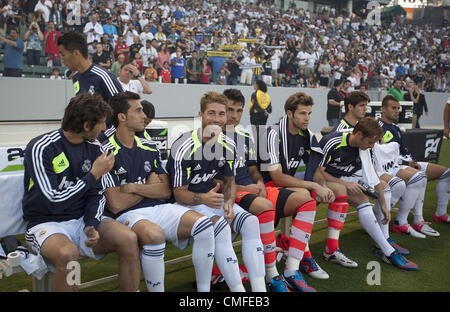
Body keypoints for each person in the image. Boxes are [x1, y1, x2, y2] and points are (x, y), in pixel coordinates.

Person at [22, 93, 141, 291]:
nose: (104, 128)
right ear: (86, 125)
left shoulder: (96, 147)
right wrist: (93, 174)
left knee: (129, 239)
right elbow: (53, 199)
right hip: (46, 222)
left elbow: (97, 194)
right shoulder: (41, 147)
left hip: (81, 220)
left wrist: (91, 223)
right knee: (68, 255)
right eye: (102, 123)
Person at [102, 91, 215, 292]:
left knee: (205, 225)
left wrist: (134, 187)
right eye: (138, 111)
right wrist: (148, 187)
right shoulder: (105, 149)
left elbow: (164, 190)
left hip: (159, 207)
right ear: (121, 116)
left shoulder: (149, 146)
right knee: (154, 235)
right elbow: (116, 204)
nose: (144, 116)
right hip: (126, 215)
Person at [167, 91, 266, 292]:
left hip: (214, 202)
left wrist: (229, 202)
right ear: (200, 115)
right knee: (220, 226)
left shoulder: (229, 144)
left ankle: (259, 289)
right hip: (186, 205)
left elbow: (230, 182)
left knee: (251, 222)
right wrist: (204, 197)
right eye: (211, 113)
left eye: (221, 114)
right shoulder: (183, 146)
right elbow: (179, 193)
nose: (217, 119)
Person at [224, 88, 319, 292]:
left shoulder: (243, 137)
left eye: (239, 110)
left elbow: (253, 169)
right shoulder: (211, 139)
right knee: (267, 206)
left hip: (254, 189)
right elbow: (214, 181)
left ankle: (292, 269)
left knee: (308, 201)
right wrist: (248, 186)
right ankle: (271, 274)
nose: (234, 115)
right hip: (235, 193)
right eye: (229, 110)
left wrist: (258, 182)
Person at [262, 92, 356, 278]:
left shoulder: (307, 135)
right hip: (267, 188)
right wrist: (314, 187)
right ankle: (303, 256)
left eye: (309, 113)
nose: (307, 118)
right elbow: (277, 177)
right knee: (306, 196)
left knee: (337, 189)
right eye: (302, 113)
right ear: (289, 114)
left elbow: (316, 169)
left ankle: (331, 248)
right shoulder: (272, 133)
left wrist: (321, 184)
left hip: (286, 187)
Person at [309, 117, 419, 271]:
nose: (372, 146)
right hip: (319, 180)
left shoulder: (365, 147)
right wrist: (345, 183)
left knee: (370, 195)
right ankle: (386, 250)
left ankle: (386, 248)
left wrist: (383, 205)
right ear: (359, 135)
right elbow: (318, 173)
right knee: (353, 193)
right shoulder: (333, 141)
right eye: (370, 142)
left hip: (341, 179)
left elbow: (374, 175)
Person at [379, 95, 450, 225]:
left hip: (407, 163)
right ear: (383, 109)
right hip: (393, 167)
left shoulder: (395, 128)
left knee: (447, 173)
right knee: (420, 176)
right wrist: (408, 163)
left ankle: (440, 213)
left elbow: (404, 151)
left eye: (398, 108)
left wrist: (412, 162)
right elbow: (383, 156)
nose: (397, 111)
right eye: (393, 108)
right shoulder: (379, 128)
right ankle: (413, 220)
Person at [58, 31, 123, 143]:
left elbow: (122, 115)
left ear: (76, 53)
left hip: (104, 144)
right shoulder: (76, 77)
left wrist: (100, 138)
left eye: (63, 55)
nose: (61, 60)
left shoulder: (104, 77)